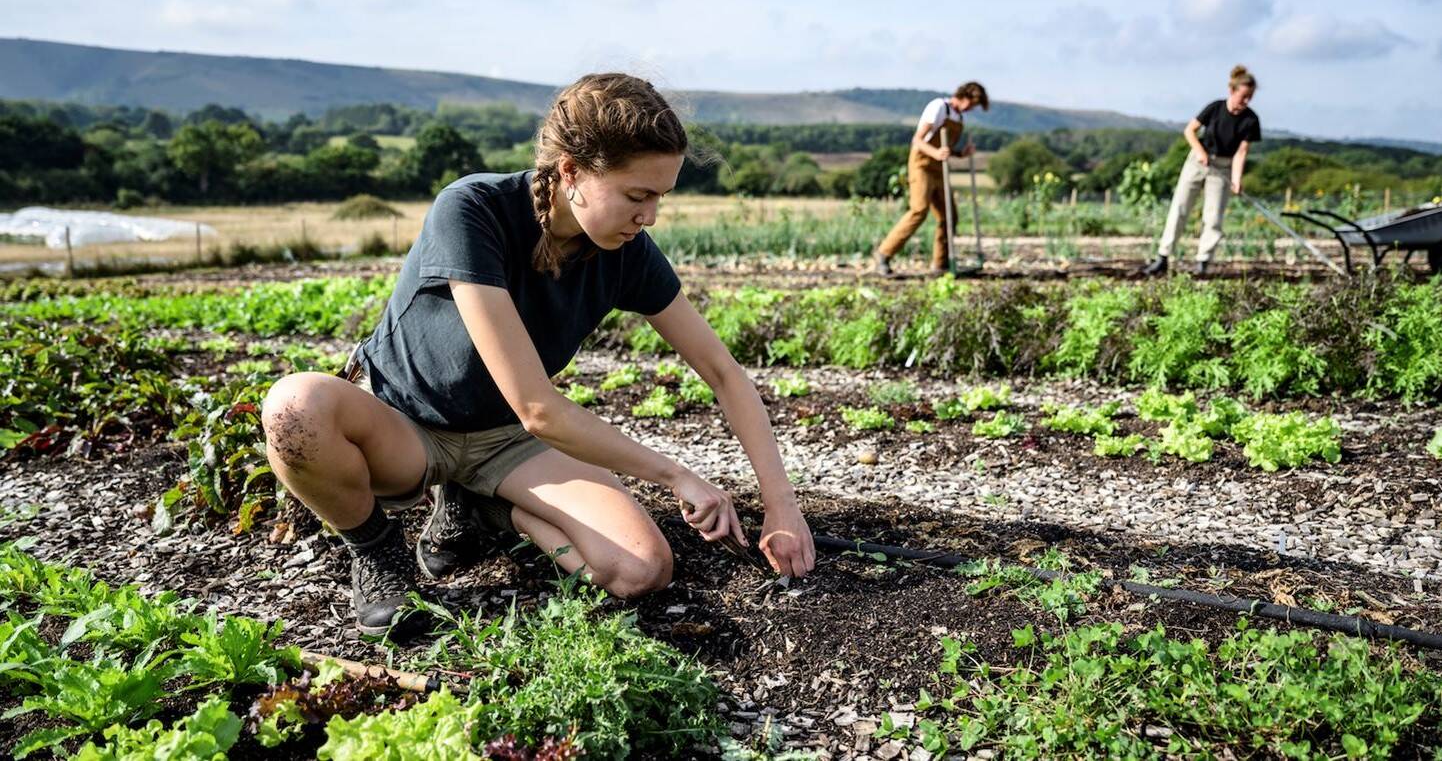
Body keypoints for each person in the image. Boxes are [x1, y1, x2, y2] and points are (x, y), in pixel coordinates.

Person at [261, 73, 816, 636]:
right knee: (295, 407)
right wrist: (675, 475)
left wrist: (781, 505)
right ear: (571, 171)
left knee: (641, 568)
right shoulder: (473, 209)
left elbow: (723, 372)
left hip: (506, 441)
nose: (649, 216)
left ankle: (482, 508)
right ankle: (379, 556)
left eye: (659, 197)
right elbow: (538, 407)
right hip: (406, 429)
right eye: (636, 195)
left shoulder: (627, 252)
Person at [1142, 65, 1261, 277]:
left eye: (1249, 97)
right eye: (1243, 96)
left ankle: (1203, 262)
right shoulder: (1214, 108)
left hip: (1222, 168)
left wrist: (1236, 179)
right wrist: (1199, 151)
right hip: (1197, 163)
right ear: (1232, 91)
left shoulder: (1250, 120)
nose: (1246, 102)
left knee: (1214, 216)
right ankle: (1163, 257)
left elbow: (1241, 152)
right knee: (1179, 208)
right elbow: (1189, 130)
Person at [874, 82, 988, 276]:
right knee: (919, 210)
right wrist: (935, 153)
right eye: (972, 103)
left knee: (949, 216)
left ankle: (940, 264)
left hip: (939, 168)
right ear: (965, 96)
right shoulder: (939, 107)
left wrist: (961, 154)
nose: (971, 109)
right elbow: (917, 140)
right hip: (922, 165)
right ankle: (884, 253)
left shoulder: (958, 117)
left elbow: (946, 149)